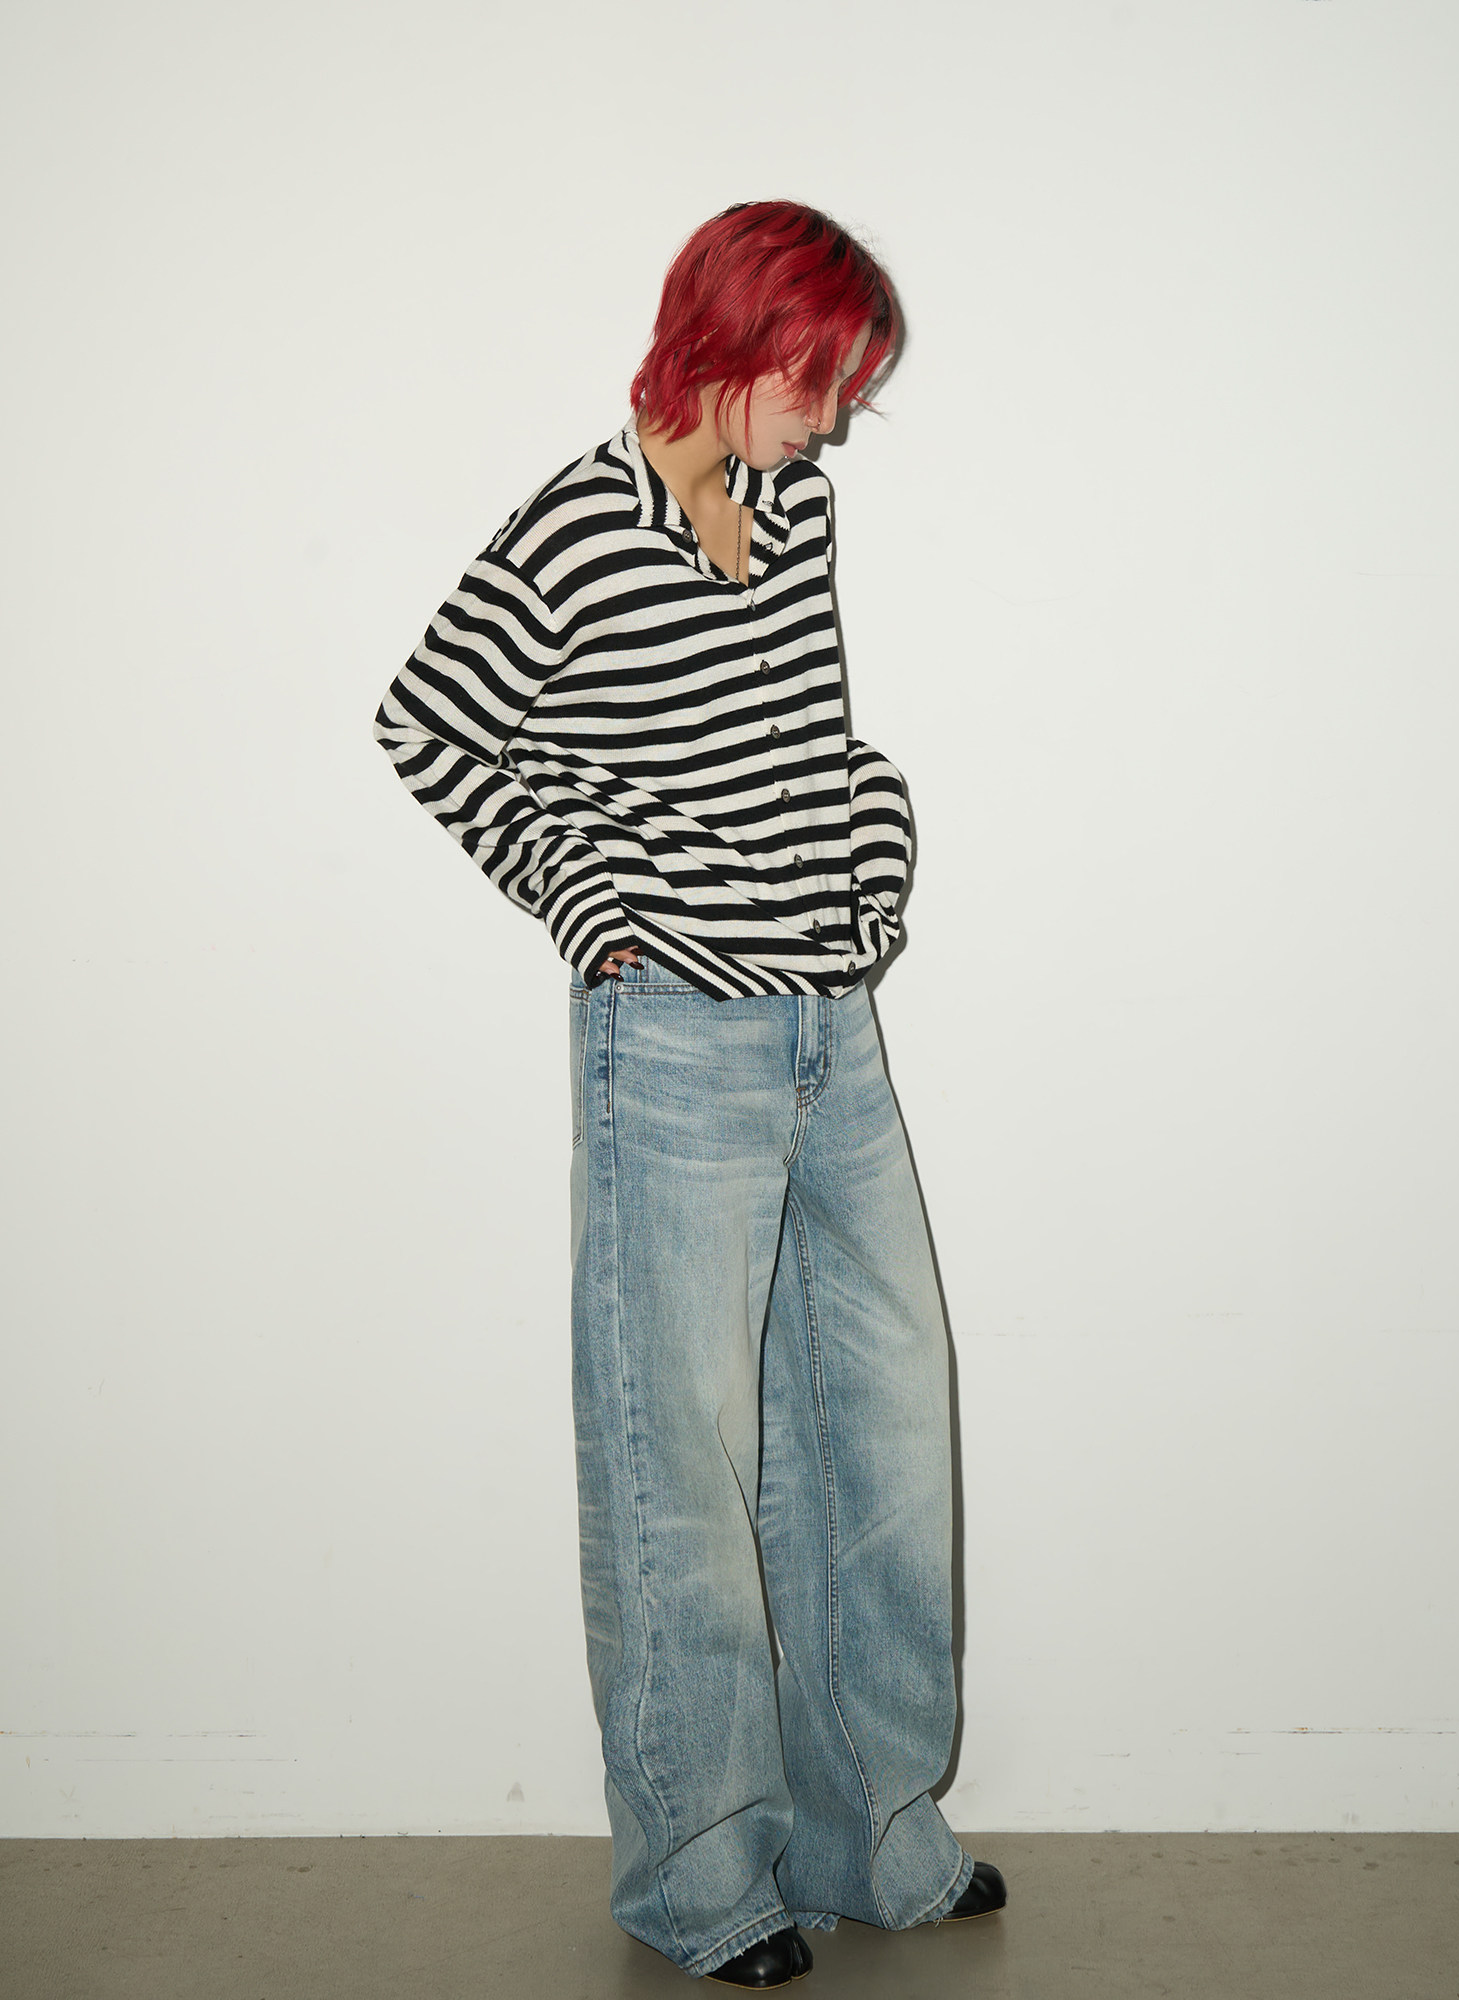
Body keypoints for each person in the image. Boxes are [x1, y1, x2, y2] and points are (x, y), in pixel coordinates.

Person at [374, 201, 1005, 1988]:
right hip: (675, 1048)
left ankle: (872, 1835)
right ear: (729, 343)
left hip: (830, 1026)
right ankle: (702, 1875)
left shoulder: (796, 512)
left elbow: (809, 738)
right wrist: (593, 899)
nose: (837, 419)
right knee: (684, 1464)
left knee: (884, 1434)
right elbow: (429, 723)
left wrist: (870, 858)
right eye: (820, 380)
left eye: (851, 388)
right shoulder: (578, 527)